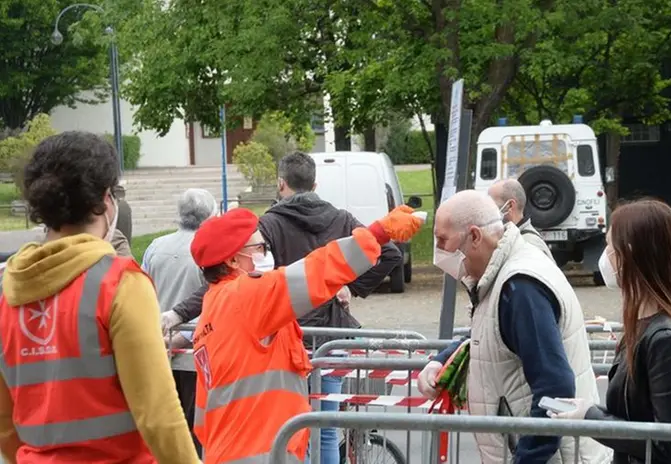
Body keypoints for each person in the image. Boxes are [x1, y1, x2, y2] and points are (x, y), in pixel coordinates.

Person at [0, 131, 199, 462]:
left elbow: (5, 424)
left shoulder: (8, 293)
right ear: (105, 201)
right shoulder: (120, 284)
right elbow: (158, 414)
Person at [190, 206, 422, 464]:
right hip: (262, 453)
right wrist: (377, 233)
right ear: (233, 260)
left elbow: (202, 417)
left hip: (230, 452)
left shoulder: (210, 313)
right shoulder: (245, 296)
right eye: (260, 248)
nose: (267, 254)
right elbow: (316, 271)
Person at [416, 190, 609, 464]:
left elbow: (554, 387)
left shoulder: (520, 287)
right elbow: (492, 333)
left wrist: (526, 458)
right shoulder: (504, 277)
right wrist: (442, 360)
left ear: (474, 236)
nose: (439, 252)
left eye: (442, 240)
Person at [550, 199, 671, 464]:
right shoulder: (643, 325)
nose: (605, 256)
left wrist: (591, 418)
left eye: (609, 246)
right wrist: (590, 413)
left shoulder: (666, 340)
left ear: (629, 254)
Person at [258, 151, 402, 463]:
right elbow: (389, 254)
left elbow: (256, 273)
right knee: (325, 427)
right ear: (315, 183)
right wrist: (349, 284)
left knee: (290, 428)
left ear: (281, 184)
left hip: (288, 335)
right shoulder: (341, 218)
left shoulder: (268, 224)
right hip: (331, 335)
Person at [142, 188, 218, 455]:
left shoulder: (155, 248)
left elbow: (143, 292)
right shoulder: (208, 252)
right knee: (192, 434)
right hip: (194, 356)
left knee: (161, 432)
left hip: (158, 351)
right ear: (209, 215)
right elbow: (211, 302)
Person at [488, 178, 553, 260]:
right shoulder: (512, 238)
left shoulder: (529, 246)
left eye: (491, 205)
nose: (487, 210)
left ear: (510, 206)